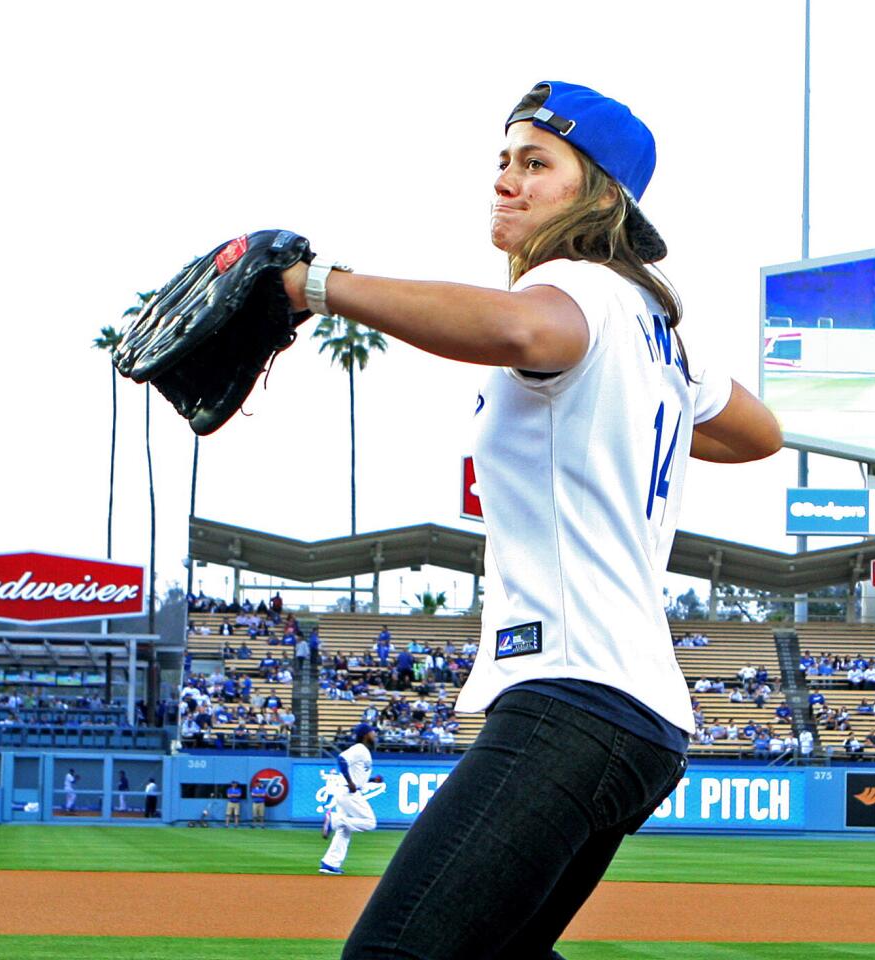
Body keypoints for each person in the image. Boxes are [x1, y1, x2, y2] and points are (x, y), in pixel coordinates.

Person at [287, 80, 780, 957]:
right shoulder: (662, 324)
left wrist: (317, 285)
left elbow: (522, 331)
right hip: (636, 715)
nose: (506, 180)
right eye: (503, 161)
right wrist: (632, 409)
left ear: (599, 196)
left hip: (575, 697)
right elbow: (756, 433)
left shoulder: (579, 283)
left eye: (536, 162)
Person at [320, 723, 380, 875]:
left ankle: (329, 863)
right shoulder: (359, 748)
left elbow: (357, 774)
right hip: (348, 792)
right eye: (373, 733)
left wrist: (372, 780)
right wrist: (350, 782)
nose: (375, 735)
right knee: (370, 822)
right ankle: (333, 820)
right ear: (365, 735)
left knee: (344, 831)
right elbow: (341, 759)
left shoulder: (364, 751)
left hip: (347, 791)